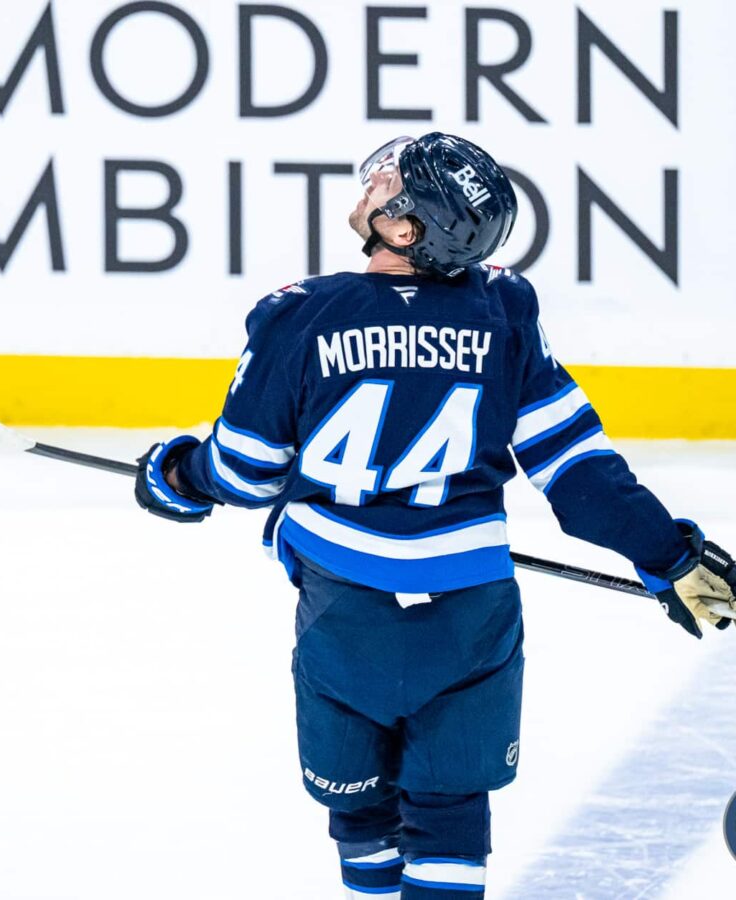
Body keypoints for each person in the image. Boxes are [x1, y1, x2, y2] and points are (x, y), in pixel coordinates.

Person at [133, 132, 736, 899]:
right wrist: (667, 554)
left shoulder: (298, 313)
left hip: (345, 614)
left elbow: (245, 470)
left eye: (390, 182)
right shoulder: (504, 309)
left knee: (361, 813)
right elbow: (579, 476)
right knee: (451, 814)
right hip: (471, 614)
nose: (374, 183)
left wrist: (177, 476)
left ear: (405, 225)